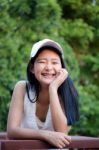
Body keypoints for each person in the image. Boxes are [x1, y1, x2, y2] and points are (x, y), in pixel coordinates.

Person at [7, 39, 79, 149]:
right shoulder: (22, 88)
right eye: (42, 62)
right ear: (32, 68)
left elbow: (62, 132)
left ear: (61, 68)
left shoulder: (67, 92)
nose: (49, 67)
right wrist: (45, 135)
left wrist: (53, 89)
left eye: (54, 62)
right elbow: (12, 131)